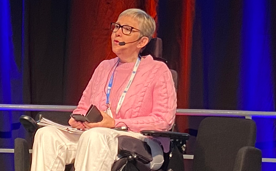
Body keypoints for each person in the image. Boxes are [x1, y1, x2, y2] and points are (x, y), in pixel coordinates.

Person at [30, 9, 177, 171]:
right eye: (117, 27)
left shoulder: (158, 70)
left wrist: (115, 123)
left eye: (126, 29)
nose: (117, 33)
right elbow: (83, 107)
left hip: (139, 141)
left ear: (142, 42)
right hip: (94, 136)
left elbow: (163, 121)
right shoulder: (104, 67)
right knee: (47, 135)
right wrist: (79, 119)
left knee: (95, 136)